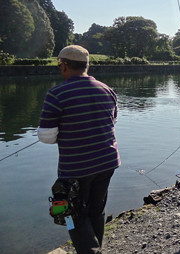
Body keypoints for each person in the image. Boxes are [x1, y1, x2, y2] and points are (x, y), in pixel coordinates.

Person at [37, 45, 120, 254]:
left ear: (64, 66)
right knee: (96, 209)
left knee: (69, 214)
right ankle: (94, 248)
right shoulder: (107, 89)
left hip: (76, 168)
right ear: (86, 65)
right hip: (107, 162)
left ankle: (90, 252)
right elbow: (112, 121)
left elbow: (46, 137)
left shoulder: (56, 94)